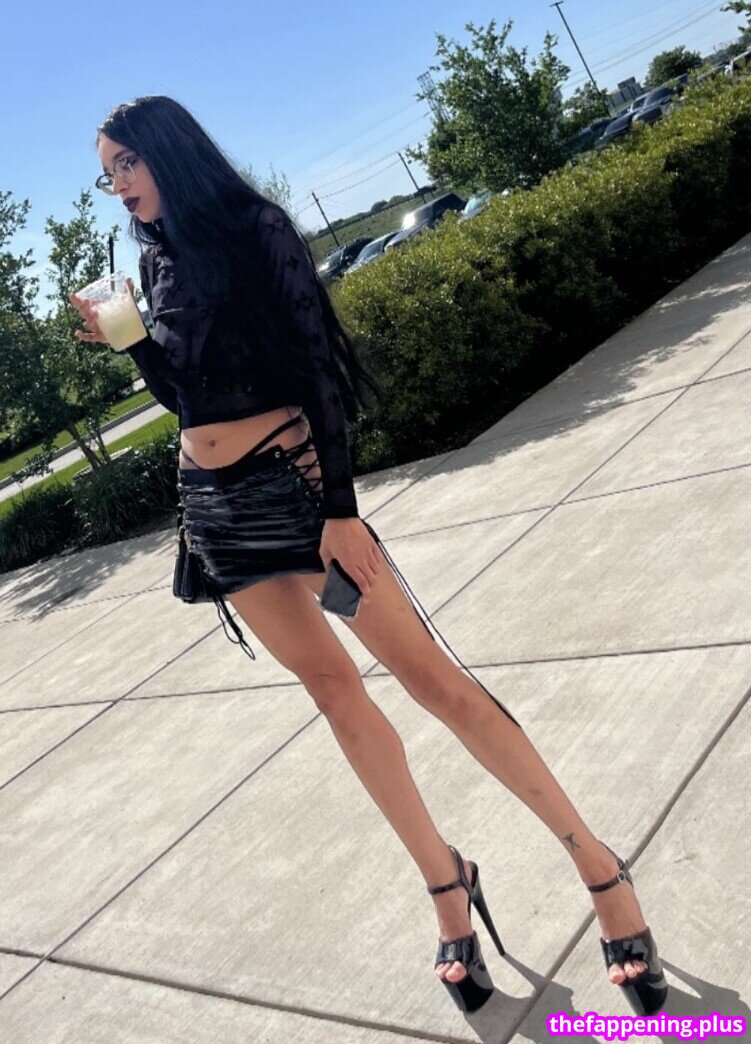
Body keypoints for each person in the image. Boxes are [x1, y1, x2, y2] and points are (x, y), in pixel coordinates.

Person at [69, 95, 666, 1016]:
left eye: (126, 163)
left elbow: (316, 367)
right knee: (335, 696)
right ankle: (446, 886)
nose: (117, 185)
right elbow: (190, 397)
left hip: (296, 491)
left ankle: (599, 870)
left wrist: (339, 510)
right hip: (215, 511)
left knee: (432, 681)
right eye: (106, 172)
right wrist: (136, 342)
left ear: (169, 152)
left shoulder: (256, 228)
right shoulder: (155, 257)